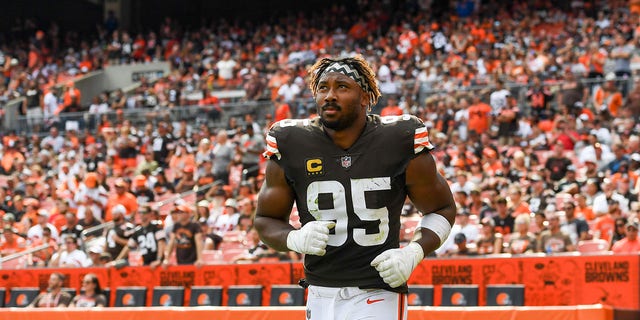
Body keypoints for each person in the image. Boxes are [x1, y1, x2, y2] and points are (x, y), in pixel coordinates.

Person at [254, 56, 456, 320]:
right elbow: (265, 219)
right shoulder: (291, 142)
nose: (329, 95)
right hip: (319, 293)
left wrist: (413, 252)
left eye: (342, 87)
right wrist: (293, 238)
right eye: (323, 87)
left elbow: (442, 208)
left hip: (377, 291)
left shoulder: (397, 139)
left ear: (365, 97)